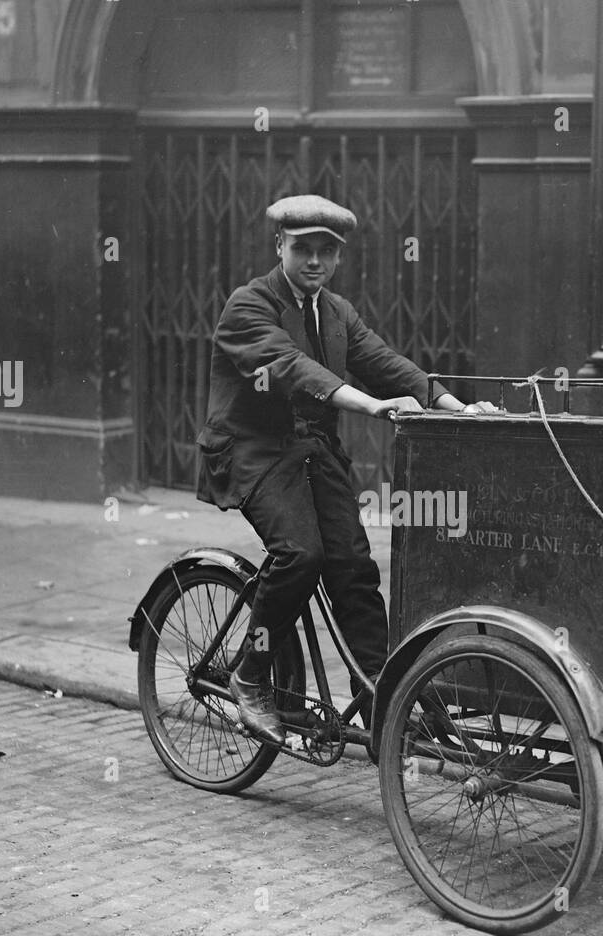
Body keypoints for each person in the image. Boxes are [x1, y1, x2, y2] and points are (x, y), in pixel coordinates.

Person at [198, 194, 496, 744]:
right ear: (280, 247)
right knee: (300, 554)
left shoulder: (336, 311)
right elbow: (289, 366)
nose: (314, 262)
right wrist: (369, 406)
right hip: (252, 450)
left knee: (355, 568)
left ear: (337, 258)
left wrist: (455, 405)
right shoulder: (249, 304)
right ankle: (250, 674)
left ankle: (385, 696)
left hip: (311, 452)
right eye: (303, 249)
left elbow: (385, 363)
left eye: (326, 253)